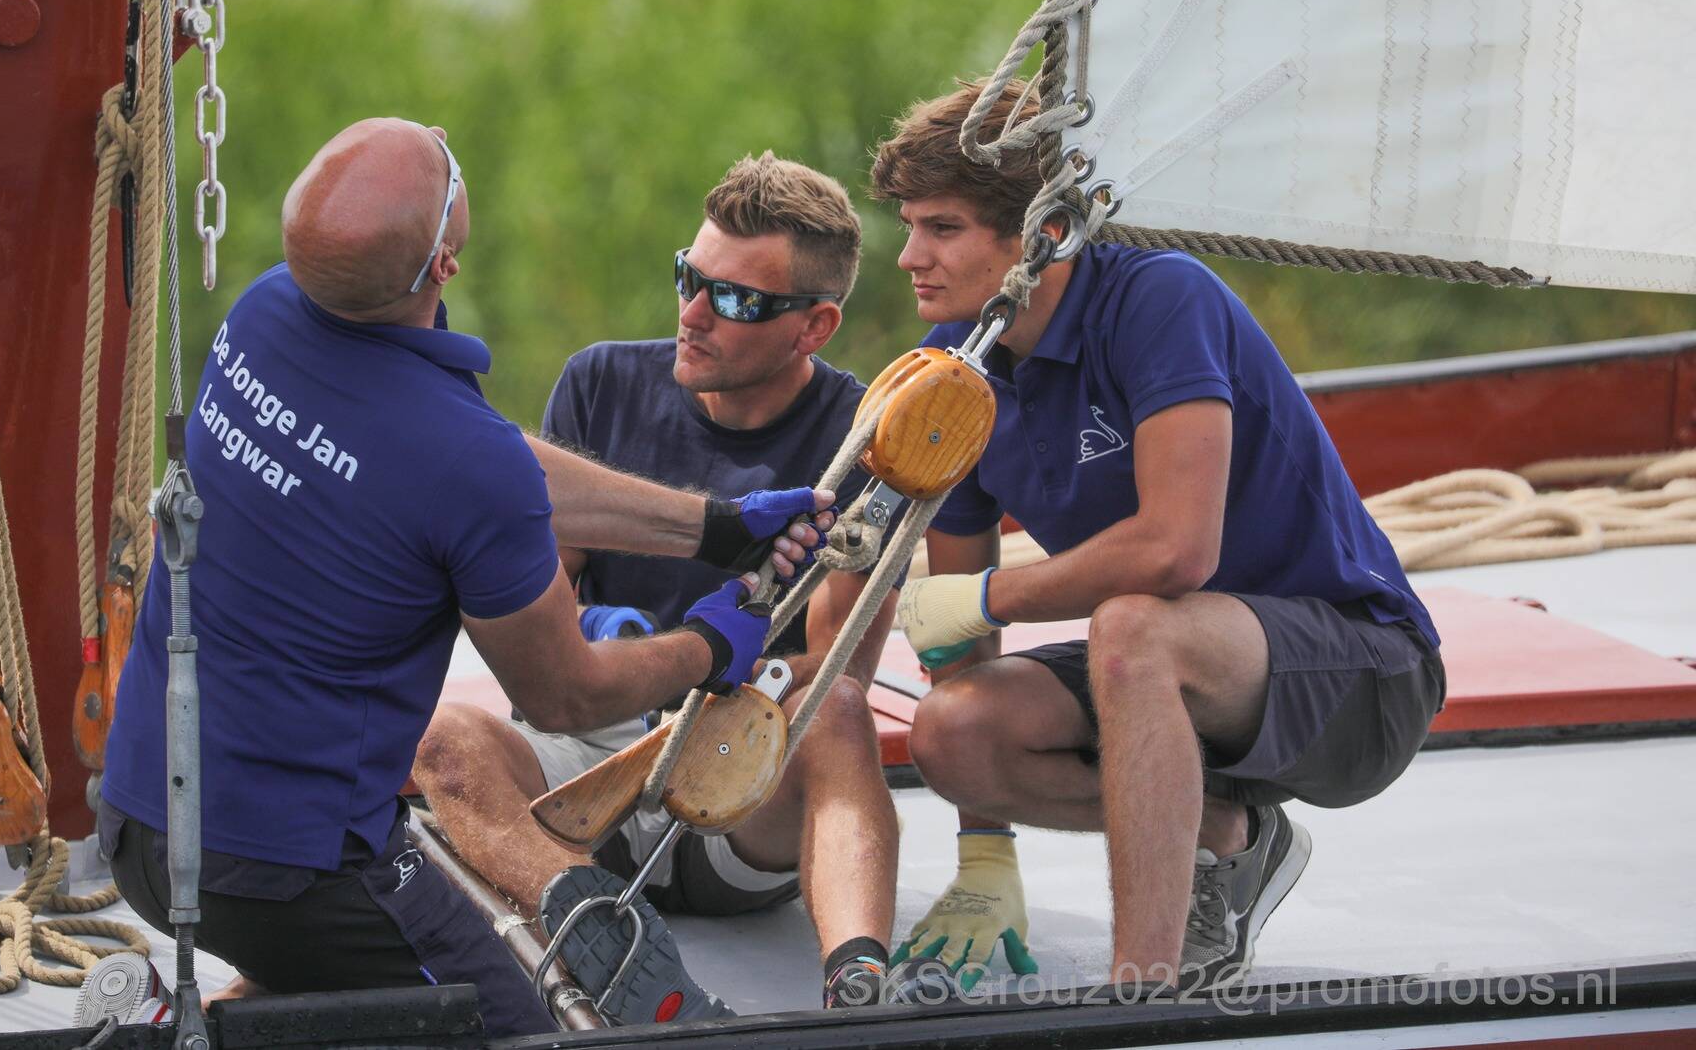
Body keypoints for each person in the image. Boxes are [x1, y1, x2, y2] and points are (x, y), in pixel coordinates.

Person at [84, 119, 833, 1035]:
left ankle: (208, 1017)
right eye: (445, 165)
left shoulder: (266, 315)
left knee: (375, 975)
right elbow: (563, 693)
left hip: (137, 829)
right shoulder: (460, 460)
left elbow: (485, 466)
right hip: (287, 874)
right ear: (444, 262)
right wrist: (709, 643)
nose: (443, 133)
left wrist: (709, 527)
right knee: (516, 1018)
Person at [871, 80, 1446, 993]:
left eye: (942, 228)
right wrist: (986, 855)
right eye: (909, 224)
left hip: (1361, 676)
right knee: (954, 730)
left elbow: (1180, 551)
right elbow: (959, 642)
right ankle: (1230, 836)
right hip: (1180, 669)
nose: (909, 255)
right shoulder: (957, 368)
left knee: (1134, 625)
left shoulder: (1158, 297)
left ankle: (1149, 979)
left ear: (1043, 232)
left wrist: (983, 597)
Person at [414, 153, 905, 1015]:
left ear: (815, 326)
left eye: (737, 300)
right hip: (584, 773)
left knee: (840, 716)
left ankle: (861, 990)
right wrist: (608, 633)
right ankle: (600, 935)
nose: (691, 314)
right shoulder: (597, 382)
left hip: (744, 784)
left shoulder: (864, 447)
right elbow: (542, 614)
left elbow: (838, 671)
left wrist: (699, 686)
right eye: (691, 276)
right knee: (442, 735)